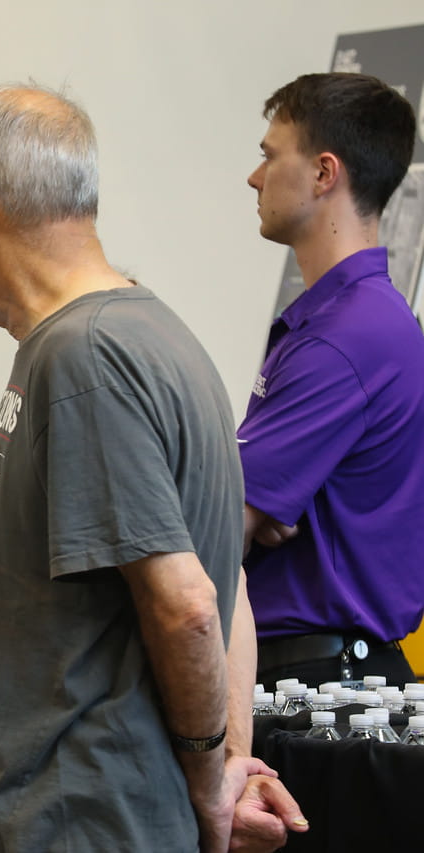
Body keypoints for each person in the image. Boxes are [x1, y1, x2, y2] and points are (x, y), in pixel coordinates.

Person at [0, 84, 305, 852]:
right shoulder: (139, 333)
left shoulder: (84, 355)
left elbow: (188, 603)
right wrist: (224, 760)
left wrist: (205, 777)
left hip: (61, 820)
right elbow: (229, 580)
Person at [238, 73, 424, 689]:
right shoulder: (347, 321)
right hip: (318, 670)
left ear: (323, 174)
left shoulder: (349, 335)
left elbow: (218, 528)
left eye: (269, 156)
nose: (254, 177)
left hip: (313, 683)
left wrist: (247, 510)